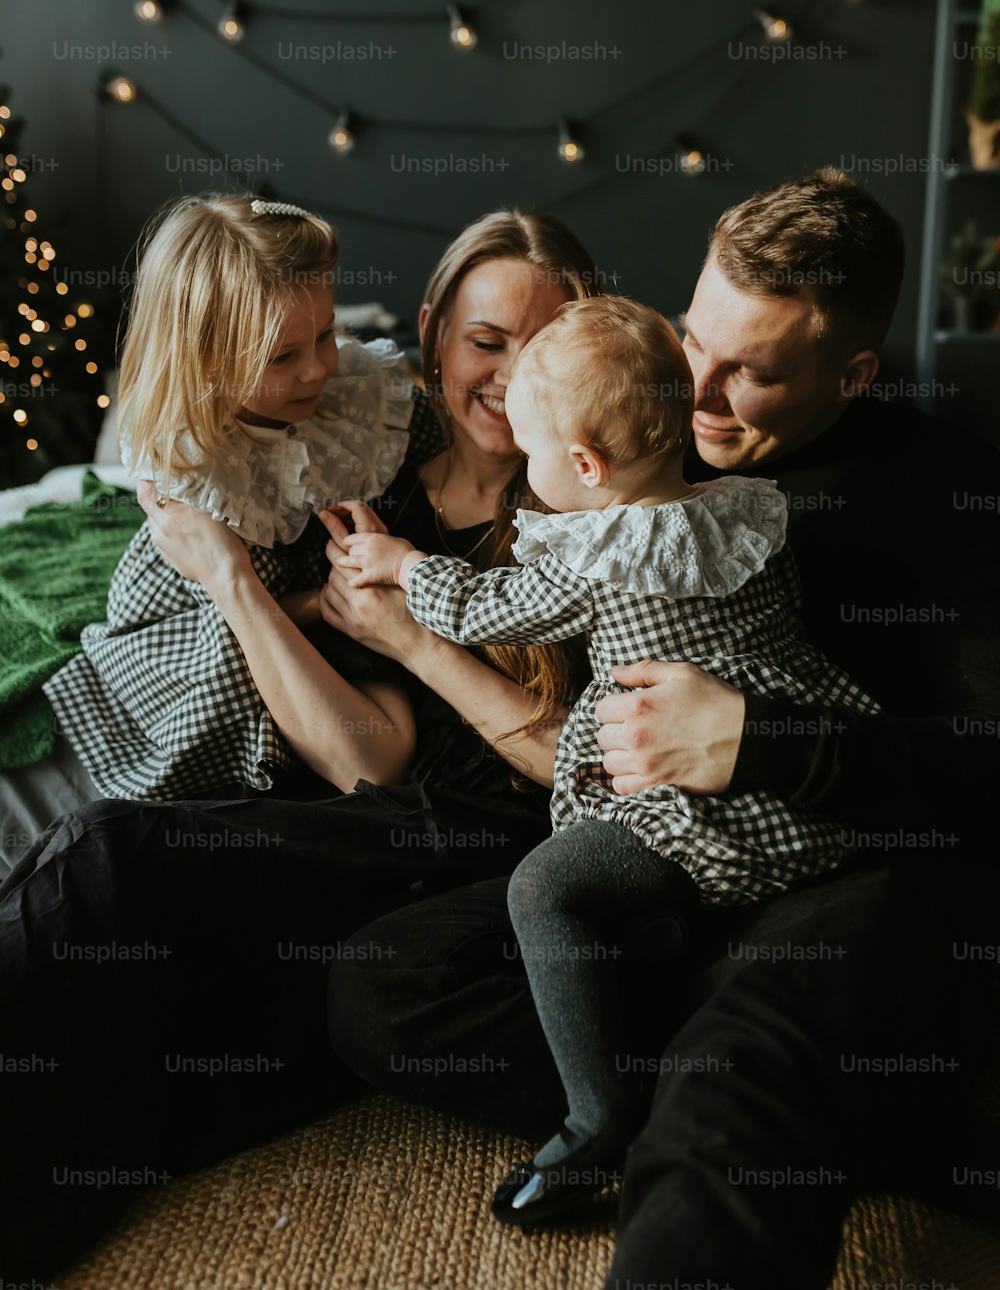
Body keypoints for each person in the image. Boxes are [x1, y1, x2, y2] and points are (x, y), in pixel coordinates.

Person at [327, 169, 1000, 1289]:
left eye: (754, 374)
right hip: (657, 849)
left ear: (854, 374)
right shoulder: (641, 438)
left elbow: (978, 770)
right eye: (695, 341)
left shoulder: (949, 500)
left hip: (833, 858)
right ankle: (840, 1094)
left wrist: (751, 738)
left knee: (736, 1070)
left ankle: (720, 1089)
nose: (698, 392)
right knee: (388, 980)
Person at [0, 207, 605, 1278]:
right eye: (485, 343)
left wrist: (255, 586)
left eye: (545, 345)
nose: (515, 378)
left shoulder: (572, 510)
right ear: (429, 335)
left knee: (106, 861)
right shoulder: (364, 462)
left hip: (439, 834)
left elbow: (377, 760)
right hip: (321, 791)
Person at [335, 293, 882, 1224]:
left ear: (584, 467)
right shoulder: (743, 512)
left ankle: (598, 1115)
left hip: (688, 804)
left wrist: (400, 565)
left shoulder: (596, 554)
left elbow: (477, 612)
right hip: (801, 785)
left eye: (534, 453)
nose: (527, 471)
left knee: (543, 891)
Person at [40, 193, 416, 803]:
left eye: (325, 335)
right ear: (204, 359)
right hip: (211, 633)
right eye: (281, 357)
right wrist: (317, 605)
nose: (317, 370)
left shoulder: (358, 396)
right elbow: (212, 629)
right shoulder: (198, 479)